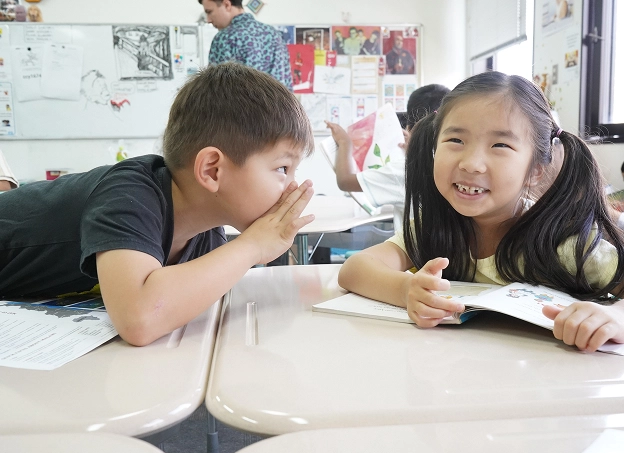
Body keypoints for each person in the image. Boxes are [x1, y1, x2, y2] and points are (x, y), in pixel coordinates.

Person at [0, 63, 315, 346]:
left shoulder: (207, 238)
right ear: (212, 170)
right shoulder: (130, 193)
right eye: (282, 168)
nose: (292, 186)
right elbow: (140, 318)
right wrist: (253, 247)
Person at [338, 71, 624, 353]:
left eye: (500, 145)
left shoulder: (565, 241)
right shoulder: (434, 227)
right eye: (456, 141)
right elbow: (354, 269)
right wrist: (406, 290)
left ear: (535, 170)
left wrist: (615, 317)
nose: (472, 163)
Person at [325, 84, 450, 230]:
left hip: (412, 251)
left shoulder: (404, 169)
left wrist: (344, 142)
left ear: (408, 129)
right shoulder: (452, 164)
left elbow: (345, 181)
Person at [200, 0, 292, 90]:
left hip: (239, 105)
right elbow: (288, 85)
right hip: (278, 104)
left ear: (227, 4)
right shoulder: (274, 34)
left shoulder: (225, 38)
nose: (208, 20)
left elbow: (215, 91)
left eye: (209, 12)